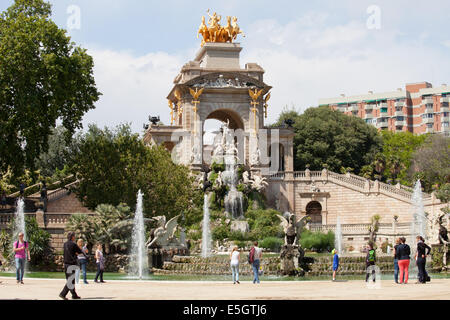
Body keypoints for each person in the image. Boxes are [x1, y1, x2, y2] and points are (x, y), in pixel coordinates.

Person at [59, 231, 83, 300]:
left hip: (66, 264)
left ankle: (74, 295)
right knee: (71, 281)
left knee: (70, 280)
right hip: (72, 264)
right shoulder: (73, 244)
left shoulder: (65, 244)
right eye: (74, 236)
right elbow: (80, 252)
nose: (75, 237)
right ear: (72, 237)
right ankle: (62, 294)